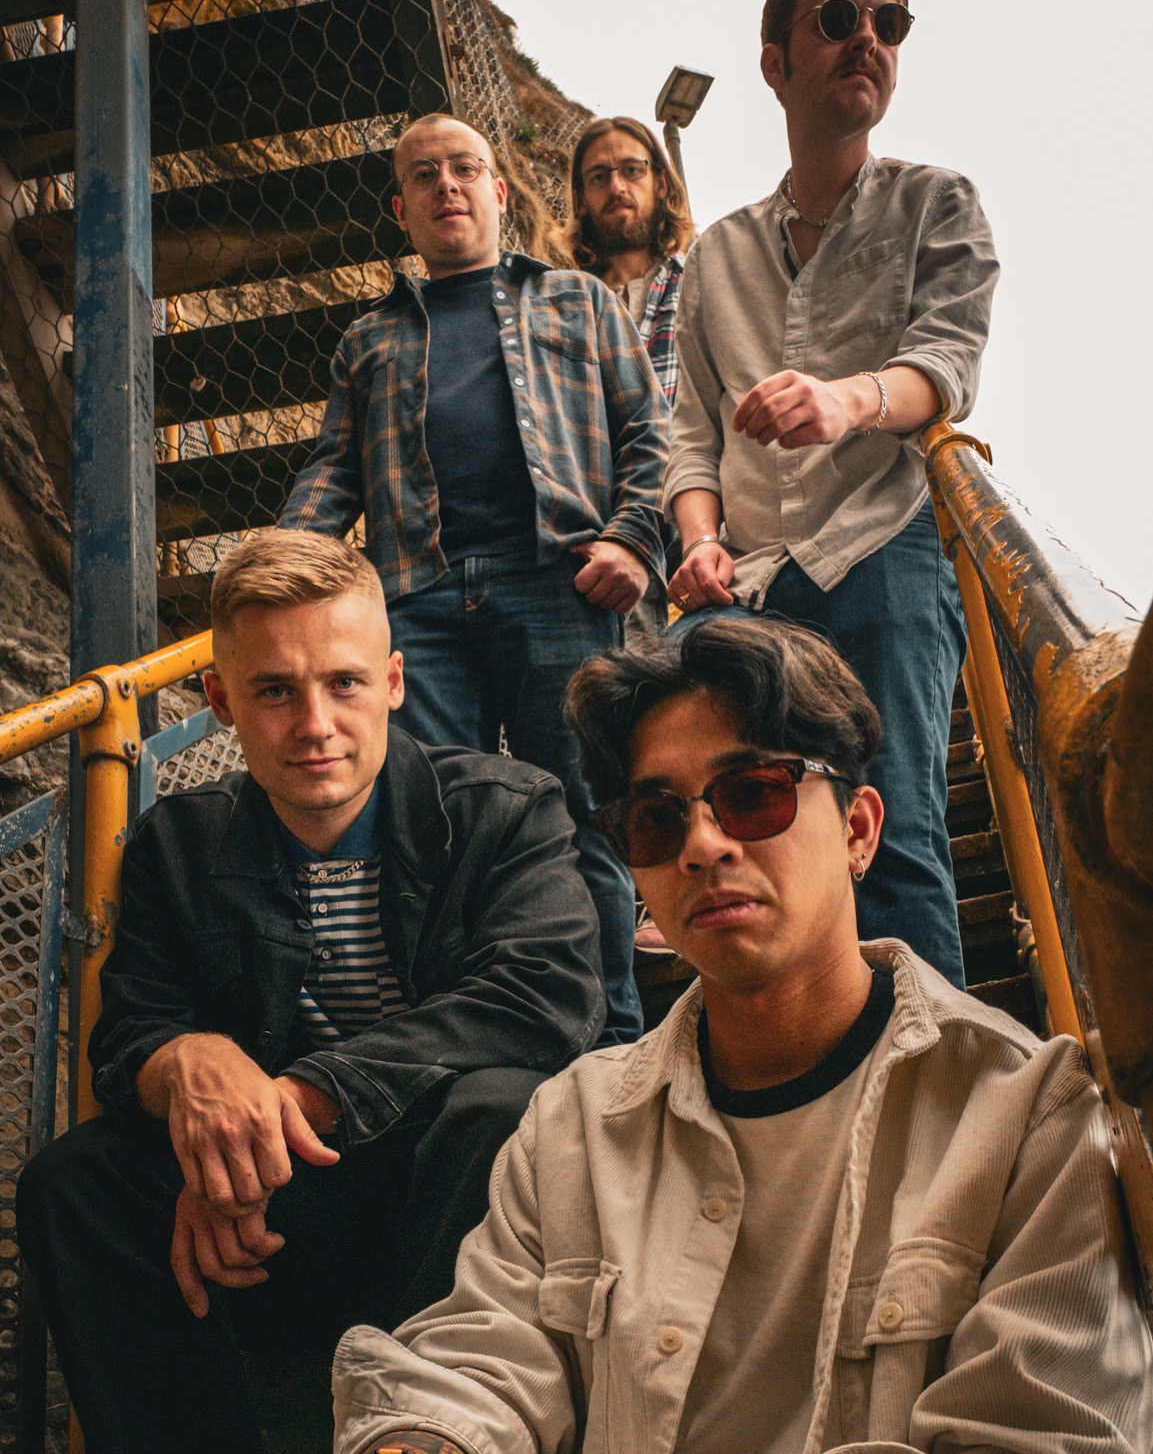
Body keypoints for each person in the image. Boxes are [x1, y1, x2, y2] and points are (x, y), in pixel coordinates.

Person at [331, 617, 1153, 1454]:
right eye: (656, 819)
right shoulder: (571, 1125)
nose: (701, 845)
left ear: (858, 830)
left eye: (754, 792)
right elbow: (483, 1363)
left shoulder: (1024, 1118)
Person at [16, 529, 606, 1454]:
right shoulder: (180, 842)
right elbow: (131, 1029)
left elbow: (543, 998)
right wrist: (187, 1063)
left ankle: (429, 1430)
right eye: (274, 691)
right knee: (76, 1179)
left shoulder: (503, 808)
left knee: (503, 1106)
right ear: (220, 701)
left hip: (459, 1211)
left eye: (344, 683)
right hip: (267, 1221)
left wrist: (288, 1101)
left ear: (394, 683)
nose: (315, 723)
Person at [279, 113, 669, 1043]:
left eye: (464, 169)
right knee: (434, 827)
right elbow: (334, 472)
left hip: (559, 585)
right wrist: (275, 575)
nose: (446, 185)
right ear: (401, 209)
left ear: (498, 191)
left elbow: (651, 435)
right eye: (424, 175)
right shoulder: (368, 338)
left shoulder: (578, 301)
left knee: (580, 815)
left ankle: (609, 1040)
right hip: (415, 600)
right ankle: (477, 1041)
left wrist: (631, 540)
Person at [665, 0, 1000, 988]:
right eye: (838, 19)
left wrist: (846, 399)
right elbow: (690, 432)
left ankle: (936, 1070)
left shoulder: (936, 202)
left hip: (881, 543)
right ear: (775, 64)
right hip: (749, 580)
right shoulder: (715, 254)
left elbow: (946, 364)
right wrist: (698, 542)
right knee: (741, 833)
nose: (868, 40)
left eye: (887, 24)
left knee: (893, 833)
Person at [565, 114, 693, 408]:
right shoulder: (561, 309)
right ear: (580, 199)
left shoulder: (702, 284)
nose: (616, 187)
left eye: (632, 170)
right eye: (598, 177)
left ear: (660, 183)